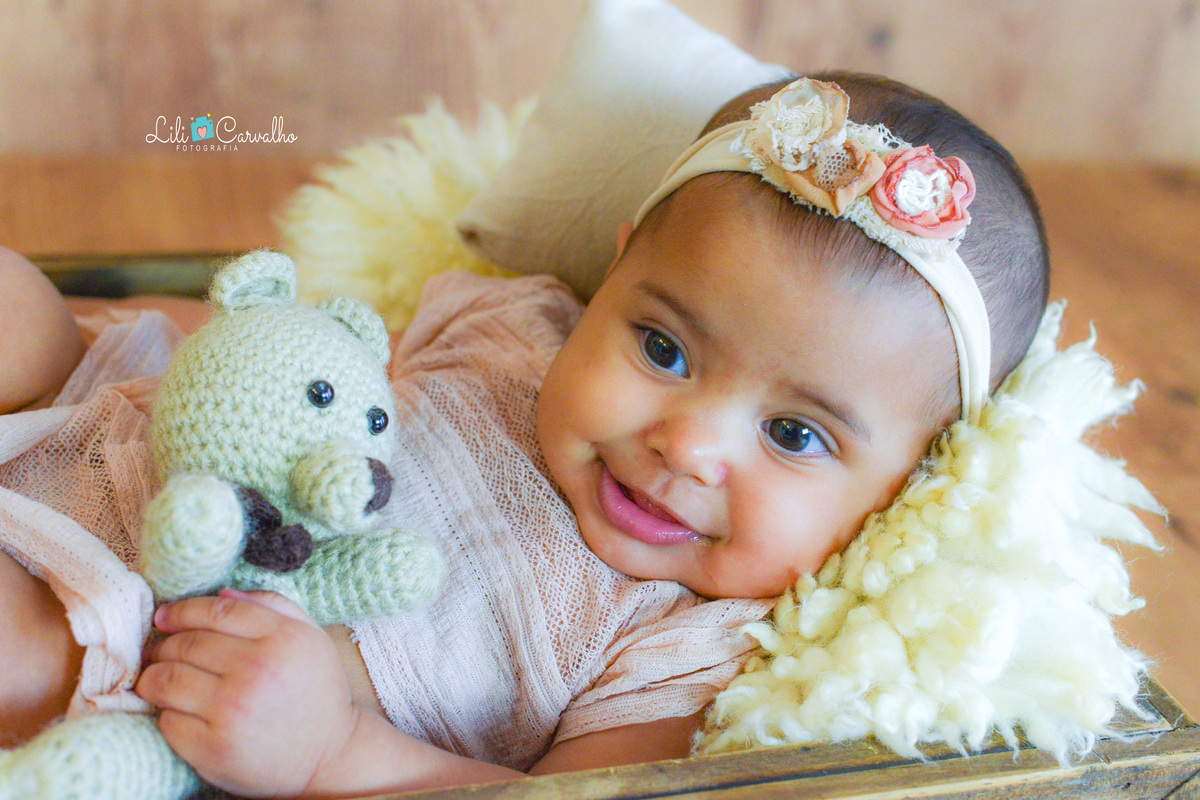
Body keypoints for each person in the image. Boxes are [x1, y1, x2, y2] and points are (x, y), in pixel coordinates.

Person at [0, 70, 1048, 797]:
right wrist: (193, 350)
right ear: (619, 270)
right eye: (664, 347)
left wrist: (335, 750)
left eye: (792, 432)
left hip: (142, 633)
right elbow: (318, 356)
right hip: (131, 430)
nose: (687, 444)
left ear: (911, 481)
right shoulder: (521, 321)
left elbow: (549, 796)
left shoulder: (694, 644)